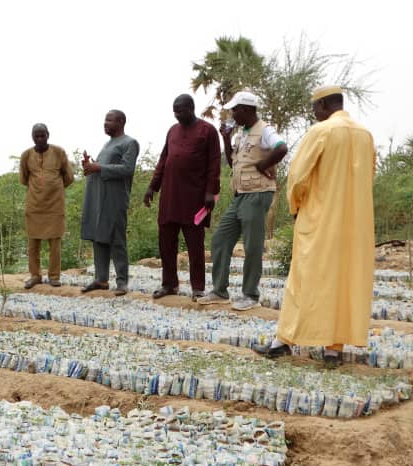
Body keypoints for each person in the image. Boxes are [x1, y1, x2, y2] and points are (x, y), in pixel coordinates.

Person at [254, 86, 375, 366]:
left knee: (304, 279)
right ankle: (333, 350)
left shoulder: (321, 132)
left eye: (314, 108)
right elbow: (369, 177)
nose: (314, 113)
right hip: (356, 225)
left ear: (323, 105)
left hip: (320, 220)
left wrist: (297, 207)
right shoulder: (365, 135)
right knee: (344, 282)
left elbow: (298, 177)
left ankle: (282, 342)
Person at [198, 91, 288, 310]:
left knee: (252, 245)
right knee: (220, 239)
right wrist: (226, 139)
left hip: (257, 194)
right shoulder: (241, 134)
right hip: (241, 195)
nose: (232, 114)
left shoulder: (264, 130)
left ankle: (250, 295)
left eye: (235, 110)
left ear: (247, 110)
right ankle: (220, 291)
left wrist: (261, 165)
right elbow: (233, 162)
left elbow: (281, 148)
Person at [144, 94, 221, 300]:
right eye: (175, 111)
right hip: (170, 197)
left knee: (195, 244)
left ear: (191, 108)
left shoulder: (208, 131)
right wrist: (152, 186)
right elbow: (163, 160)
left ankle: (198, 287)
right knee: (166, 241)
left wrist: (210, 192)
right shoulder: (172, 131)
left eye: (181, 110)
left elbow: (214, 164)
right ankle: (169, 284)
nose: (177, 114)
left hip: (195, 198)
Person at [80, 110, 139, 296]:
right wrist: (91, 166)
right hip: (98, 197)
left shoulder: (129, 143)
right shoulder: (107, 144)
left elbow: (127, 169)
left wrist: (99, 167)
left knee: (116, 238)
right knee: (99, 237)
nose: (105, 123)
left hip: (115, 199)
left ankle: (122, 282)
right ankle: (101, 279)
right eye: (105, 120)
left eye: (109, 120)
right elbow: (103, 167)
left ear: (121, 122)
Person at [20, 123, 74, 289]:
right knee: (33, 243)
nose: (40, 139)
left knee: (55, 242)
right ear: (32, 137)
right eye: (36, 136)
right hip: (34, 204)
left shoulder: (59, 152)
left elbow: (69, 177)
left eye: (43, 135)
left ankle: (54, 276)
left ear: (48, 135)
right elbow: (23, 179)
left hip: (55, 205)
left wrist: (54, 188)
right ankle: (35, 275)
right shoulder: (26, 155)